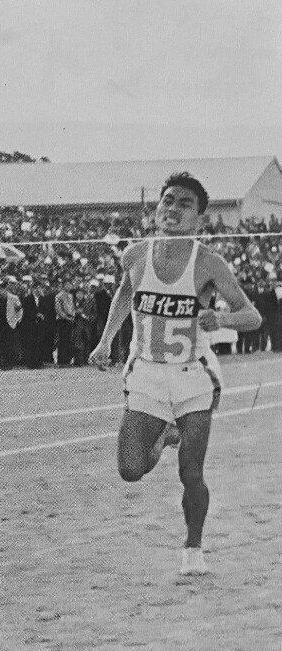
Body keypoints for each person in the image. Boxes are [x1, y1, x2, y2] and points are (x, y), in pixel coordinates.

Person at [89, 172, 261, 575]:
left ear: (199, 218)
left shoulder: (209, 263)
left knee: (191, 471)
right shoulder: (135, 255)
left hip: (192, 375)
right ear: (157, 208)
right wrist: (105, 340)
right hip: (146, 372)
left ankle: (193, 549)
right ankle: (165, 435)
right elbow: (125, 292)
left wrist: (222, 319)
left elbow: (251, 316)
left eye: (185, 204)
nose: (173, 209)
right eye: (167, 200)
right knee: (130, 470)